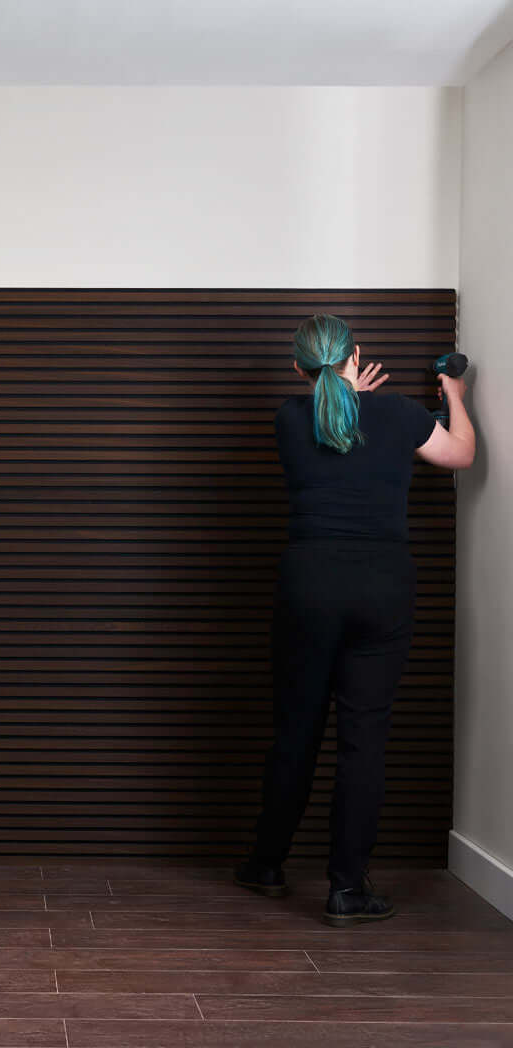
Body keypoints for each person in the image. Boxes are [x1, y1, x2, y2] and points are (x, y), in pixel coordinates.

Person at [233, 313, 474, 926]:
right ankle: (346, 889)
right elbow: (461, 455)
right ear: (356, 354)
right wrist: (453, 395)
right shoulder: (399, 416)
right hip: (382, 587)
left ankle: (266, 864)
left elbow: (333, 420)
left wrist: (349, 398)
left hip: (307, 585)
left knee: (296, 731)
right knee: (363, 740)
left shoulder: (289, 419)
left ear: (297, 369)